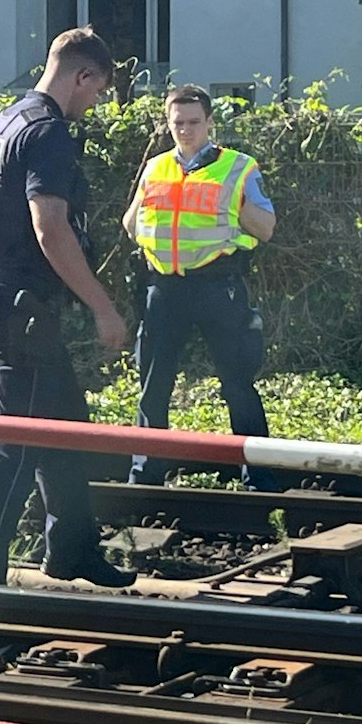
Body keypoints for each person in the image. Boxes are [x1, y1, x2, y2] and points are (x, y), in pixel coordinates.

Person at [0, 27, 136, 589]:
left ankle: (73, 550)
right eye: (98, 90)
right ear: (82, 75)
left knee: (66, 428)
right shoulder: (49, 132)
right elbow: (50, 227)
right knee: (10, 450)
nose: (95, 103)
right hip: (23, 306)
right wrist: (104, 308)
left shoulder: (1, 123)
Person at [122, 84, 279, 491]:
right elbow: (130, 224)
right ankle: (146, 475)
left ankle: (259, 476)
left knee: (237, 383)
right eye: (178, 123)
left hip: (218, 288)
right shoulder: (155, 168)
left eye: (194, 122)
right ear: (167, 125)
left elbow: (266, 228)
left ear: (210, 122)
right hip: (165, 289)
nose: (186, 130)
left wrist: (231, 204)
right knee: (152, 386)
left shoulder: (239, 167)